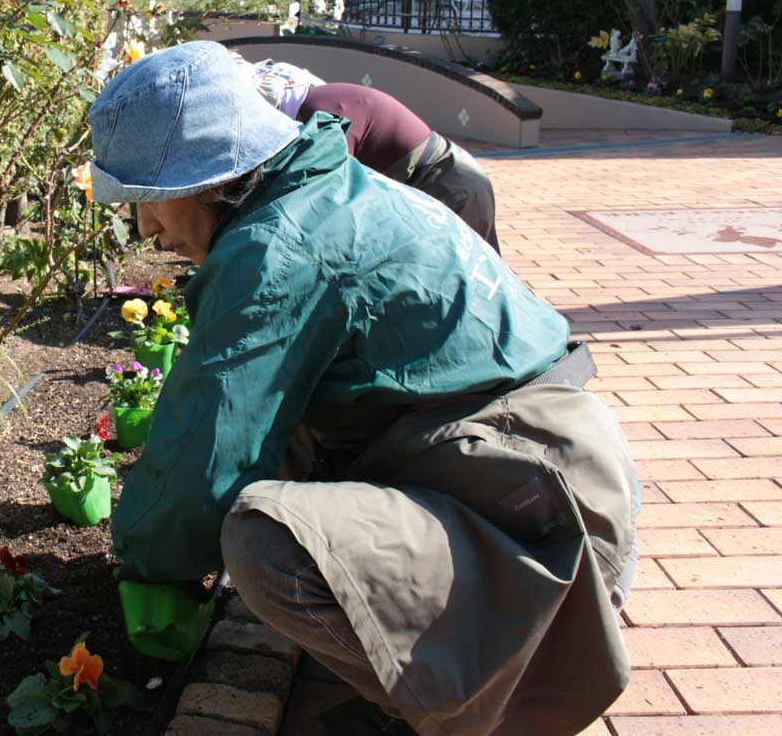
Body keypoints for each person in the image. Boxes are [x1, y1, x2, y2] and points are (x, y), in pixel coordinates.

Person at [88, 42, 638, 735]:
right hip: (545, 475)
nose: (145, 227)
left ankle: (460, 708)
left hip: (542, 525)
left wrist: (140, 560)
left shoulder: (278, 245)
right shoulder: (319, 193)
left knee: (263, 545)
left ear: (212, 177)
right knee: (288, 447)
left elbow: (206, 446)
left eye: (154, 197)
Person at [235, 54, 501, 251]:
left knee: (480, 291)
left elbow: (324, 210)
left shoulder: (324, 120)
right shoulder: (303, 97)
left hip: (448, 186)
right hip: (417, 190)